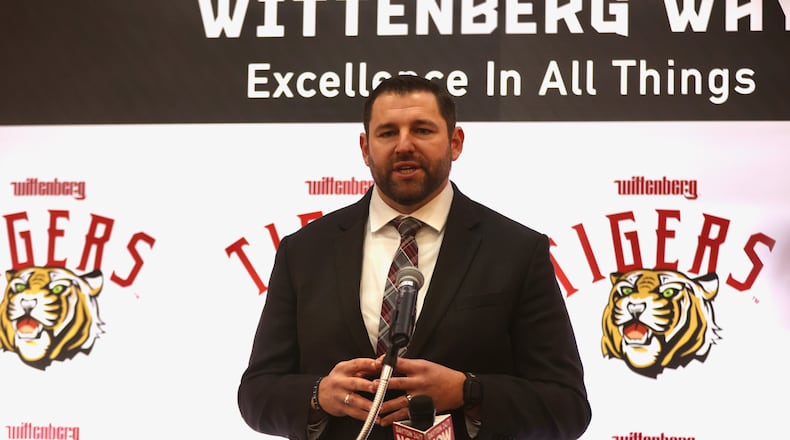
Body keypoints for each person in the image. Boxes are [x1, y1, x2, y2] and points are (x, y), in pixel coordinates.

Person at [238, 75, 591, 440]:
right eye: (387, 133)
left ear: (455, 143)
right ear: (365, 148)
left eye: (422, 130)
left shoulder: (516, 250)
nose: (404, 145)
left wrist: (468, 391)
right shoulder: (304, 251)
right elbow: (256, 394)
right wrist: (317, 395)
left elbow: (566, 405)